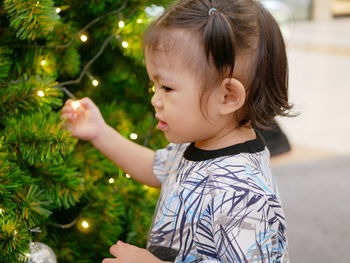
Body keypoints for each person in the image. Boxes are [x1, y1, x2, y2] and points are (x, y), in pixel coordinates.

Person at [61, 0, 292, 262]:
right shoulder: (200, 142)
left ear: (227, 97)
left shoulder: (242, 194)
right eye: (154, 87)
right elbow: (156, 167)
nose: (155, 100)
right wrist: (100, 132)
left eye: (167, 88)